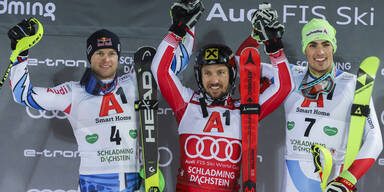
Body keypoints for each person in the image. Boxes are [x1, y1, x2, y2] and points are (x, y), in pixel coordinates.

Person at [151, 1, 293, 191]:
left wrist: (274, 46)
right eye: (207, 73)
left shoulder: (245, 110)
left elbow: (284, 86)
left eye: (221, 72)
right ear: (199, 77)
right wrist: (177, 31)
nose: (214, 80)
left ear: (232, 75)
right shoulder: (185, 103)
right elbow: (159, 70)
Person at [8, 18, 142, 192]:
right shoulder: (73, 92)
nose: (106, 59)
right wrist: (20, 53)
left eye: (111, 53)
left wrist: (180, 32)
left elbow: (168, 68)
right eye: (99, 53)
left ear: (118, 57)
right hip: (93, 182)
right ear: (90, 57)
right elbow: (24, 95)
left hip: (133, 181)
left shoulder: (134, 82)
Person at [279, 18, 383, 192]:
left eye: (326, 44)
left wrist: (347, 180)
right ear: (305, 48)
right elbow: (242, 67)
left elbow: (375, 139)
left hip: (336, 180)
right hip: (293, 179)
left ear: (333, 47)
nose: (320, 51)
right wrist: (258, 38)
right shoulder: (289, 77)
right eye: (312, 45)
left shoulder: (353, 84)